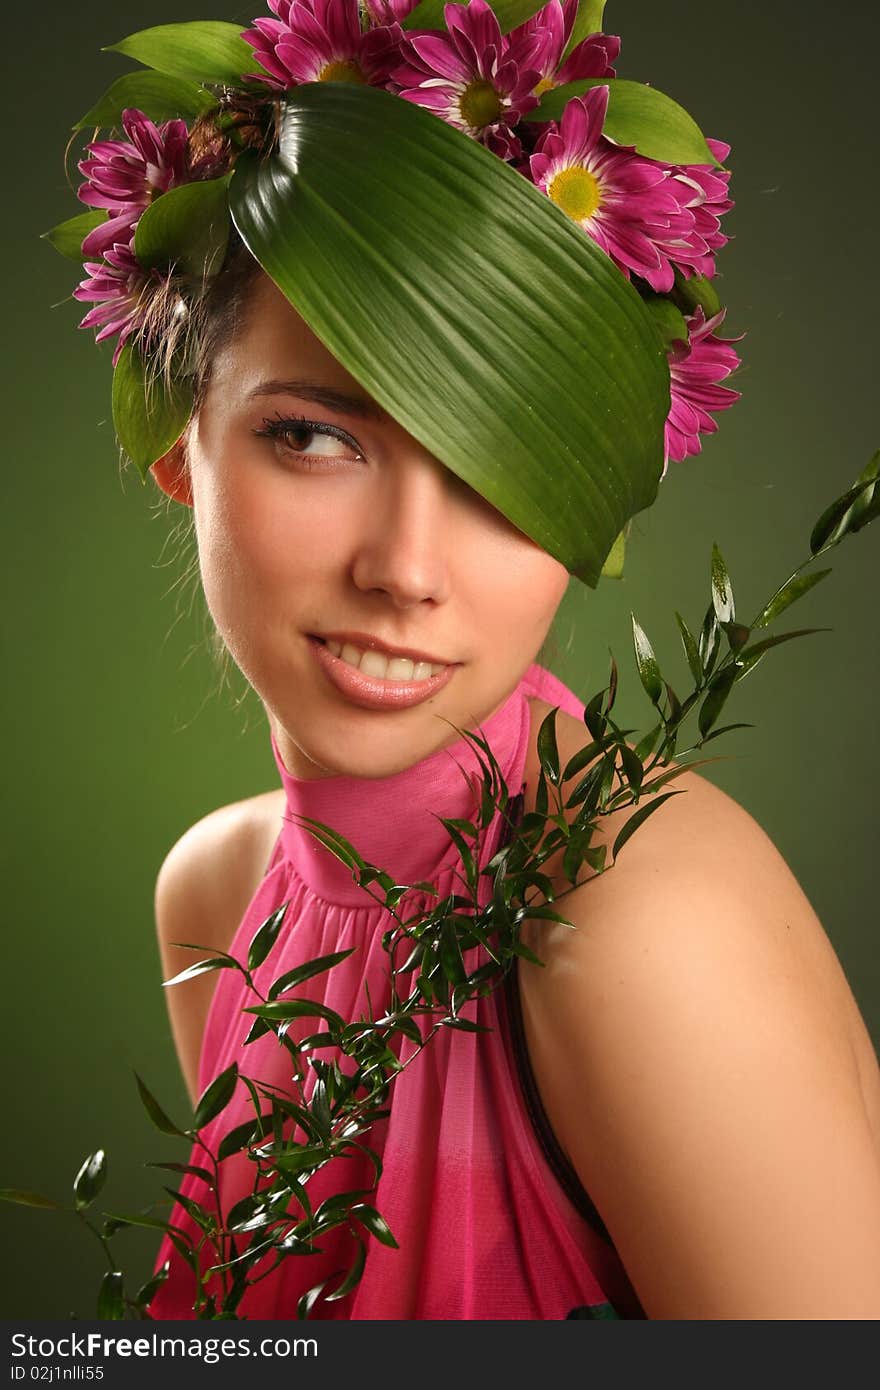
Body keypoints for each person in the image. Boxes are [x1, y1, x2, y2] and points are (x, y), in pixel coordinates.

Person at [46, 0, 880, 1320]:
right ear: (178, 443)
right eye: (320, 437)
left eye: (505, 466)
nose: (407, 567)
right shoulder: (212, 897)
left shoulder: (642, 923)